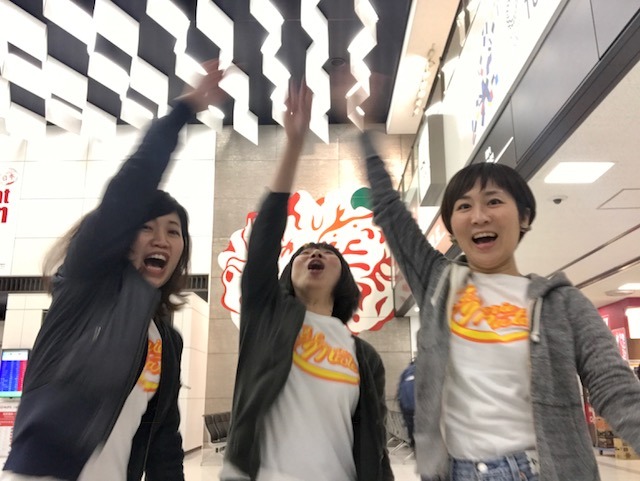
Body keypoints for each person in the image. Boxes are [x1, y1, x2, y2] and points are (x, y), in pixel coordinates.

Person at [359, 131, 640, 481]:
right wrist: (370, 149)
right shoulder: (439, 284)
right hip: (457, 472)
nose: (479, 217)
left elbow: (615, 387)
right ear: (452, 227)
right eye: (464, 206)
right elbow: (391, 214)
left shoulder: (562, 304)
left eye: (493, 201)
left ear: (524, 217)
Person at [1, 61, 225, 481]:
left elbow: (163, 440)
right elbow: (128, 191)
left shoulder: (167, 341)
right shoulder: (85, 287)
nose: (161, 240)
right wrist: (182, 111)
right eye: (147, 228)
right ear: (122, 238)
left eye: (173, 232)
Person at [219, 83, 393, 481]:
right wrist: (294, 143)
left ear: (344, 277)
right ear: (286, 274)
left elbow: (375, 444)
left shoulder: (364, 357)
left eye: (327, 253)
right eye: (304, 253)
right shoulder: (266, 319)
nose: (315, 254)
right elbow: (264, 240)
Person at [397, 359, 415, 447]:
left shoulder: (406, 372)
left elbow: (400, 395)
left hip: (408, 409)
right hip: (423, 410)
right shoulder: (426, 370)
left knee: (413, 437)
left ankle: (413, 442)